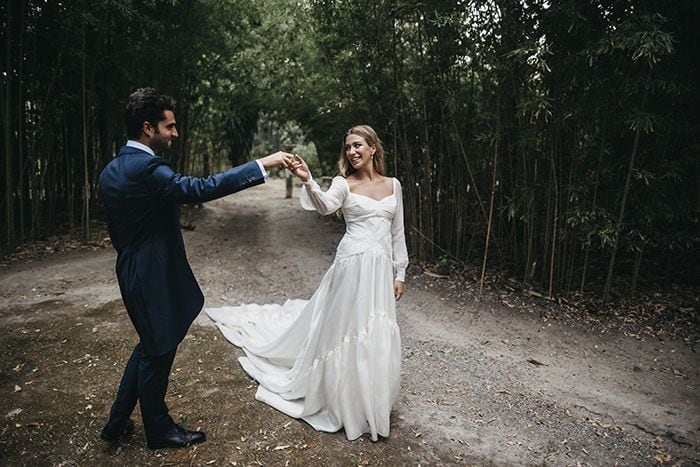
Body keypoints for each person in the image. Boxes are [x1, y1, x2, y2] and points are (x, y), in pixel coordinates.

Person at [98, 87, 293, 449]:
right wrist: (262, 164)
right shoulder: (148, 167)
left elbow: (117, 229)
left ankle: (116, 422)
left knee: (151, 344)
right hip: (154, 272)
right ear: (147, 128)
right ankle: (158, 429)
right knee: (158, 350)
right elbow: (198, 188)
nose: (175, 133)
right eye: (169, 126)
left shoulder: (111, 170)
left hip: (129, 268)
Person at [206, 125, 408, 441]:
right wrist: (308, 180)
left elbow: (398, 233)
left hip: (380, 269)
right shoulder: (344, 183)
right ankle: (343, 402)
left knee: (376, 329)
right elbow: (326, 206)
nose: (352, 152)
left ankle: (373, 401)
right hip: (351, 266)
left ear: (373, 147)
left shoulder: (393, 185)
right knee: (347, 331)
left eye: (357, 146)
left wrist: (400, 273)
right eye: (348, 148)